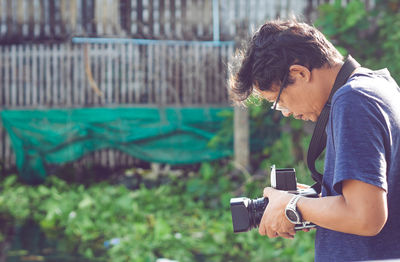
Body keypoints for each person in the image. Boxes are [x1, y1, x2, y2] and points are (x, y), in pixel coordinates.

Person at [229, 19, 400, 261]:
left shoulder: (353, 99)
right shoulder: (380, 86)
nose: (286, 112)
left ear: (299, 73)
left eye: (278, 102)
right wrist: (313, 204)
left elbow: (366, 216)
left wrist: (290, 204)